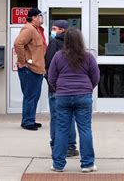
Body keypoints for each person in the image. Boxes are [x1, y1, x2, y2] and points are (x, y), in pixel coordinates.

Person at [48, 28, 100, 173]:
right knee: (85, 129)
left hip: (63, 96)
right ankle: (87, 164)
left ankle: (58, 165)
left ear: (66, 41)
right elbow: (95, 77)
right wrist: (88, 88)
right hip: (83, 96)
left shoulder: (58, 56)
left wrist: (59, 88)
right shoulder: (88, 57)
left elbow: (51, 76)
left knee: (62, 130)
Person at [44, 20, 79, 157]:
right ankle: (70, 146)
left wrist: (51, 83)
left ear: (62, 30)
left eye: (55, 28)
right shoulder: (75, 45)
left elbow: (49, 64)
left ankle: (56, 146)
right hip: (72, 89)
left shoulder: (54, 43)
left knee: (57, 118)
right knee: (70, 118)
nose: (52, 31)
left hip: (57, 88)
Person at [14, 8, 47, 131]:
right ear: (33, 17)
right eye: (40, 16)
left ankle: (29, 119)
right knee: (30, 96)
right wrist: (23, 62)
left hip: (37, 69)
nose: (41, 18)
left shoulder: (36, 30)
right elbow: (18, 43)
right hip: (30, 69)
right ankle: (27, 122)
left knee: (34, 96)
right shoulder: (29, 29)